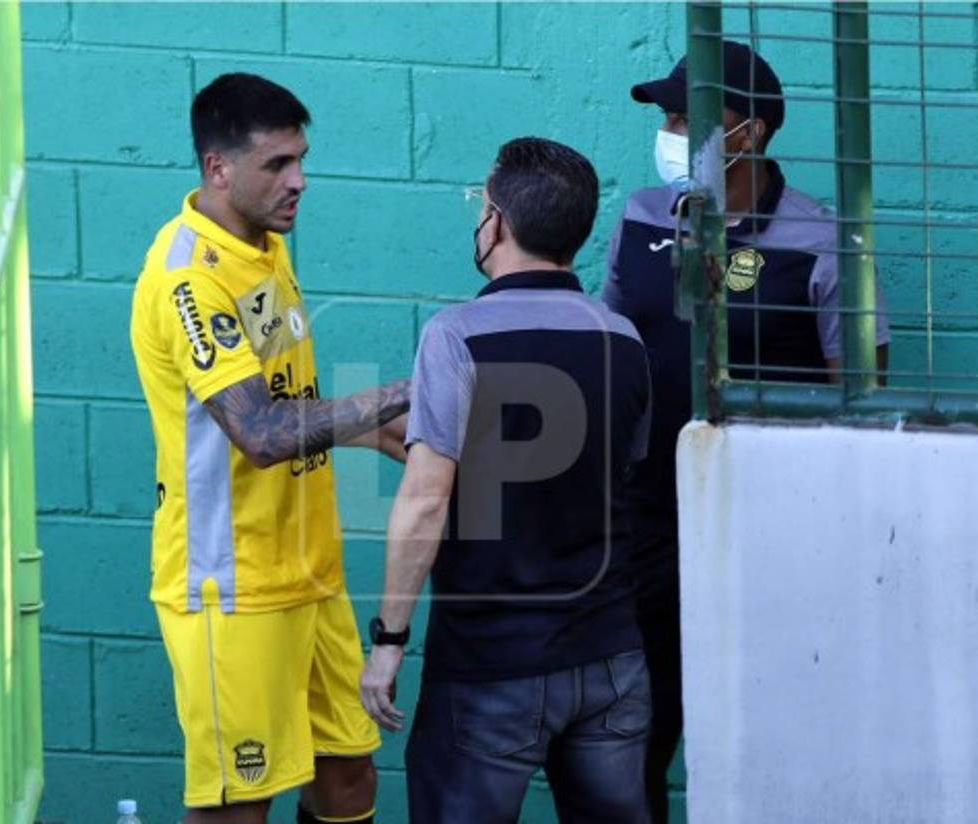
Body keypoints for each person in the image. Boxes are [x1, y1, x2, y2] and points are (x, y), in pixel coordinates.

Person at [604, 41, 892, 823]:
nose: (673, 130)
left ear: (752, 133)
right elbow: (611, 351)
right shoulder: (640, 216)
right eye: (668, 116)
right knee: (637, 725)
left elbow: (863, 392)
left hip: (776, 523)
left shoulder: (823, 242)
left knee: (775, 719)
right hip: (650, 515)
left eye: (691, 116)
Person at [129, 73, 409, 824]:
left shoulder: (265, 244)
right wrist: (405, 391)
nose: (300, 182)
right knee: (238, 808)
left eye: (301, 160)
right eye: (278, 165)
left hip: (310, 572)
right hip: (232, 586)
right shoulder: (188, 277)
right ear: (218, 168)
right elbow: (257, 433)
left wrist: (394, 440)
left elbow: (292, 405)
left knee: (349, 777)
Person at [359, 137, 654, 824]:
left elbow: (427, 500)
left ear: (498, 222)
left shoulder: (456, 335)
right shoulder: (625, 340)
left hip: (491, 671)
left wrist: (388, 643)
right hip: (611, 661)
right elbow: (605, 471)